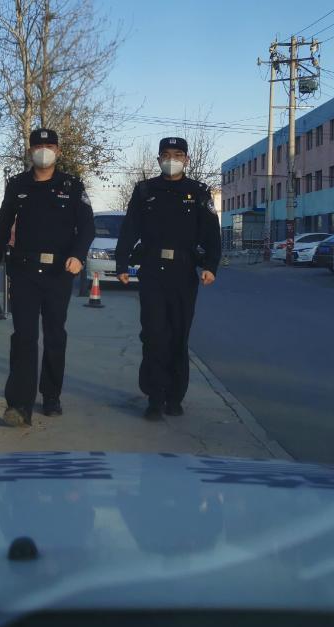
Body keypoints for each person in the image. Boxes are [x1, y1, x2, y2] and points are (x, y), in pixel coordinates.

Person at [0, 128, 95, 427]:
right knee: (24, 336)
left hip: (59, 273)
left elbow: (87, 227)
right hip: (23, 272)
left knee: (55, 335)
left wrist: (78, 255)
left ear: (58, 151)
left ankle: (51, 394)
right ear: (30, 150)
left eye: (49, 146)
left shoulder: (72, 186)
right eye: (38, 146)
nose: (43, 151)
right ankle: (19, 404)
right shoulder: (17, 185)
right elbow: (2, 228)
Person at [115, 137, 221, 421]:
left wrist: (211, 265)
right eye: (166, 154)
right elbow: (129, 230)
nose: (171, 159)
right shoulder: (145, 190)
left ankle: (175, 397)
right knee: (153, 335)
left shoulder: (198, 192)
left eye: (177, 154)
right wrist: (121, 262)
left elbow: (211, 232)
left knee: (178, 336)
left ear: (186, 159)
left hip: (184, 274)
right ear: (158, 158)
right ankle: (154, 396)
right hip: (151, 272)